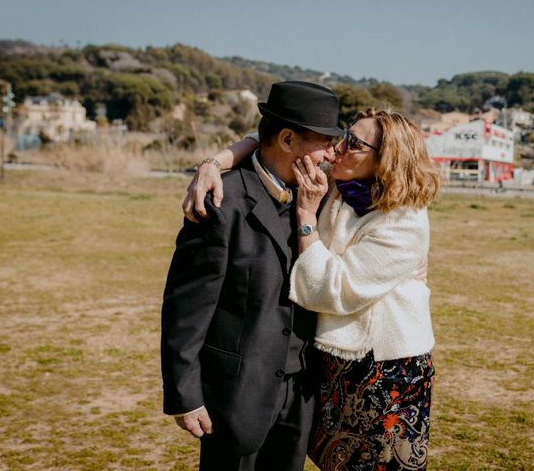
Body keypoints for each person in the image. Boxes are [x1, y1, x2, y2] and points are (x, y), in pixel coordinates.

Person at [185, 108, 441, 470]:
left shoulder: (405, 222)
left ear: (386, 160)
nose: (336, 148)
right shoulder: (342, 182)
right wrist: (212, 163)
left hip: (383, 366)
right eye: (341, 137)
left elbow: (329, 291)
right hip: (335, 360)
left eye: (353, 143)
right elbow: (272, 141)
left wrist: (307, 218)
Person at [161, 80, 343, 471]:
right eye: (325, 141)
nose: (332, 153)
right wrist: (184, 395)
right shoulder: (221, 204)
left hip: (301, 394)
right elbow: (185, 309)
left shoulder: (320, 195)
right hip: (235, 396)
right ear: (289, 139)